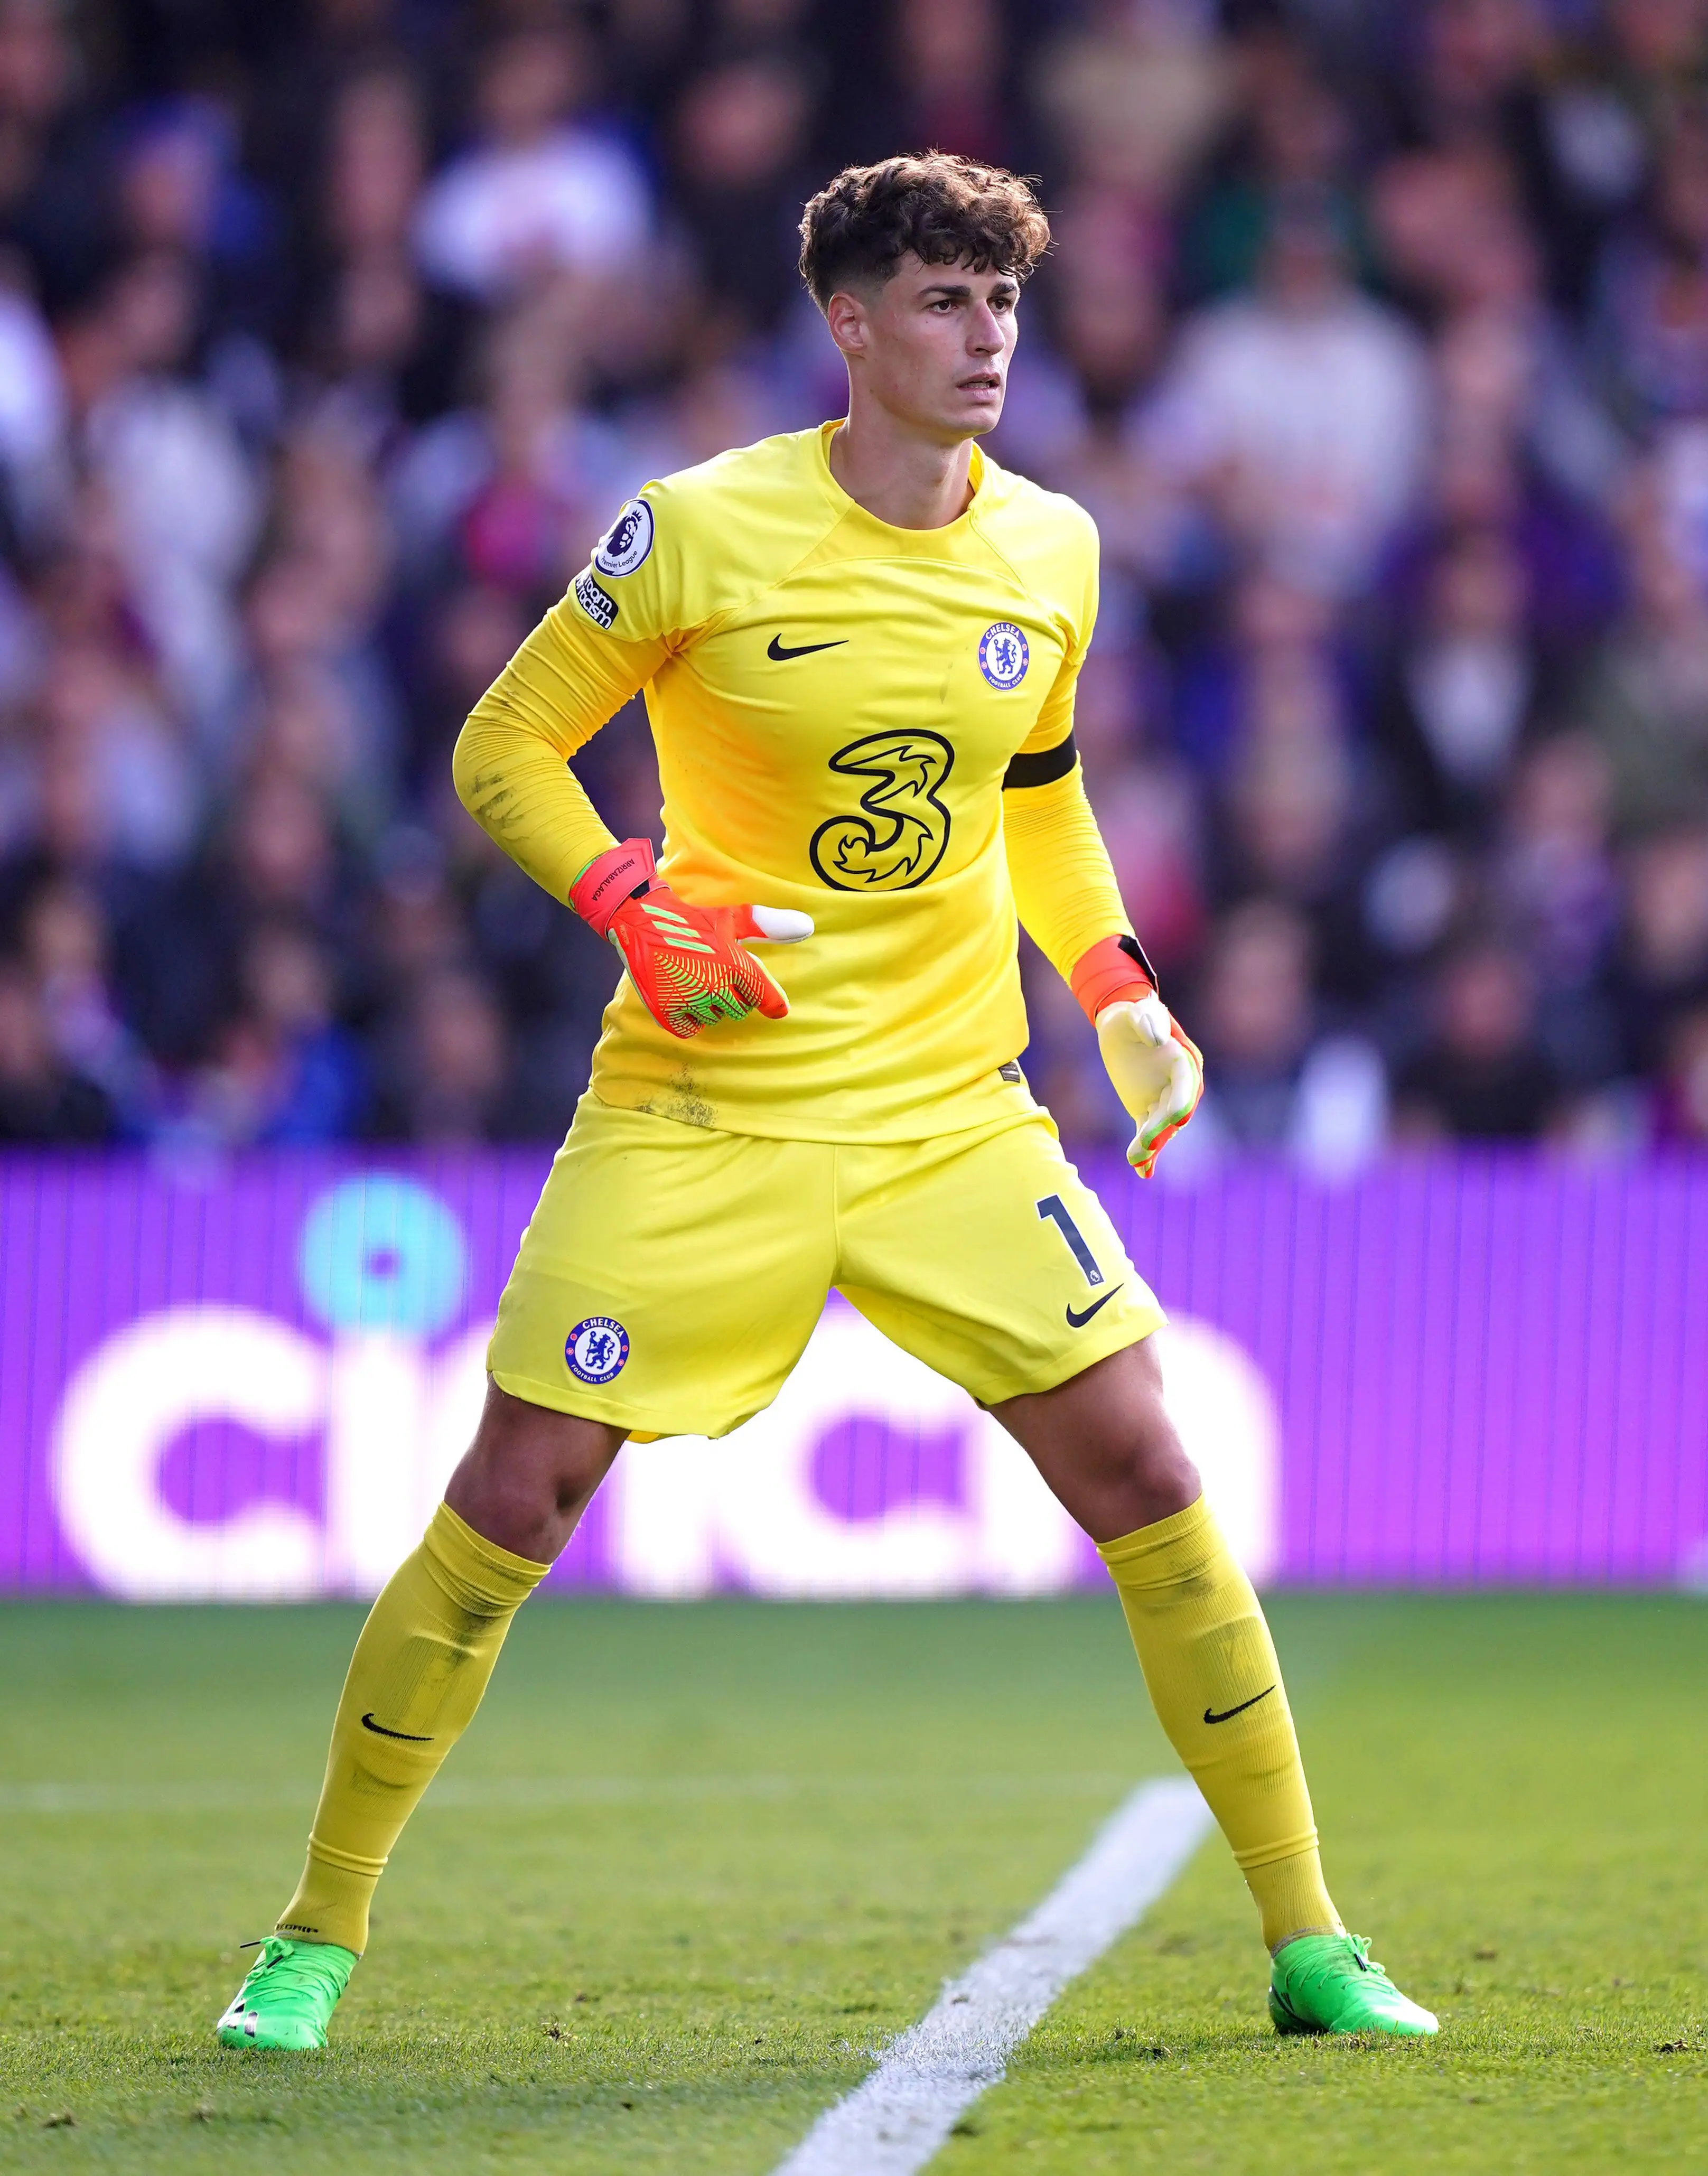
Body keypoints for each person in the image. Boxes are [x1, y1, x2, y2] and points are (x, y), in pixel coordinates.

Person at [216, 153, 1435, 2053]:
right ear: (849, 327)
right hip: (708, 1100)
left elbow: (1039, 799)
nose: (988, 337)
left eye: (1005, 302)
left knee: (1149, 1467)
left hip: (951, 1109)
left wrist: (1116, 989)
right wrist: (629, 898)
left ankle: (1312, 1937)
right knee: (518, 1492)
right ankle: (314, 1931)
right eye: (946, 301)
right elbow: (503, 742)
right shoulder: (698, 530)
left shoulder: (1054, 548)